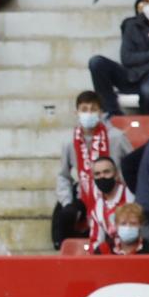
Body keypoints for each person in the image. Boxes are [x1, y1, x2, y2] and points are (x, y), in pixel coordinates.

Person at [53, 91, 131, 247]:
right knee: (65, 215)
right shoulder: (69, 142)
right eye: (84, 109)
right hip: (84, 195)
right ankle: (67, 256)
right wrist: (67, 202)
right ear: (77, 112)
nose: (88, 113)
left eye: (93, 109)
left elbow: (134, 164)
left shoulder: (116, 136)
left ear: (101, 112)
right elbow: (63, 176)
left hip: (114, 194)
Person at [88, 0, 149, 116]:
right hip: (132, 76)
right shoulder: (131, 25)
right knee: (96, 63)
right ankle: (113, 115)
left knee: (148, 89)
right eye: (146, 1)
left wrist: (143, 63)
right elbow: (127, 58)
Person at [74, 152, 132, 254]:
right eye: (97, 174)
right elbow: (96, 240)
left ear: (116, 174)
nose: (102, 177)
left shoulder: (130, 195)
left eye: (106, 172)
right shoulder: (98, 207)